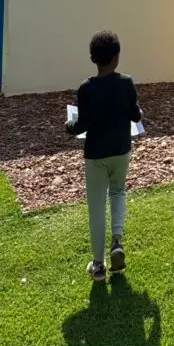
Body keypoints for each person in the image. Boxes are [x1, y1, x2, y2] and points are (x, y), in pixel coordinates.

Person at [65, 31, 143, 282]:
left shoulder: (86, 88)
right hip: (121, 149)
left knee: (96, 207)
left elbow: (82, 125)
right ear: (117, 57)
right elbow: (136, 115)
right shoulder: (126, 83)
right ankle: (117, 240)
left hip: (96, 154)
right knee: (118, 192)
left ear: (93, 58)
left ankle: (98, 265)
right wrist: (137, 109)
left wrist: (69, 126)